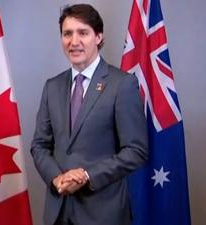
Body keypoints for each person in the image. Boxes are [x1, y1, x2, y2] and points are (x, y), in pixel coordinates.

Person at [31, 4, 148, 225]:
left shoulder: (122, 84)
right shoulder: (52, 86)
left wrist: (86, 176)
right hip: (58, 209)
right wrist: (57, 178)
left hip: (103, 212)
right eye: (67, 34)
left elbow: (136, 150)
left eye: (83, 33)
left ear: (98, 37)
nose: (74, 42)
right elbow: (39, 145)